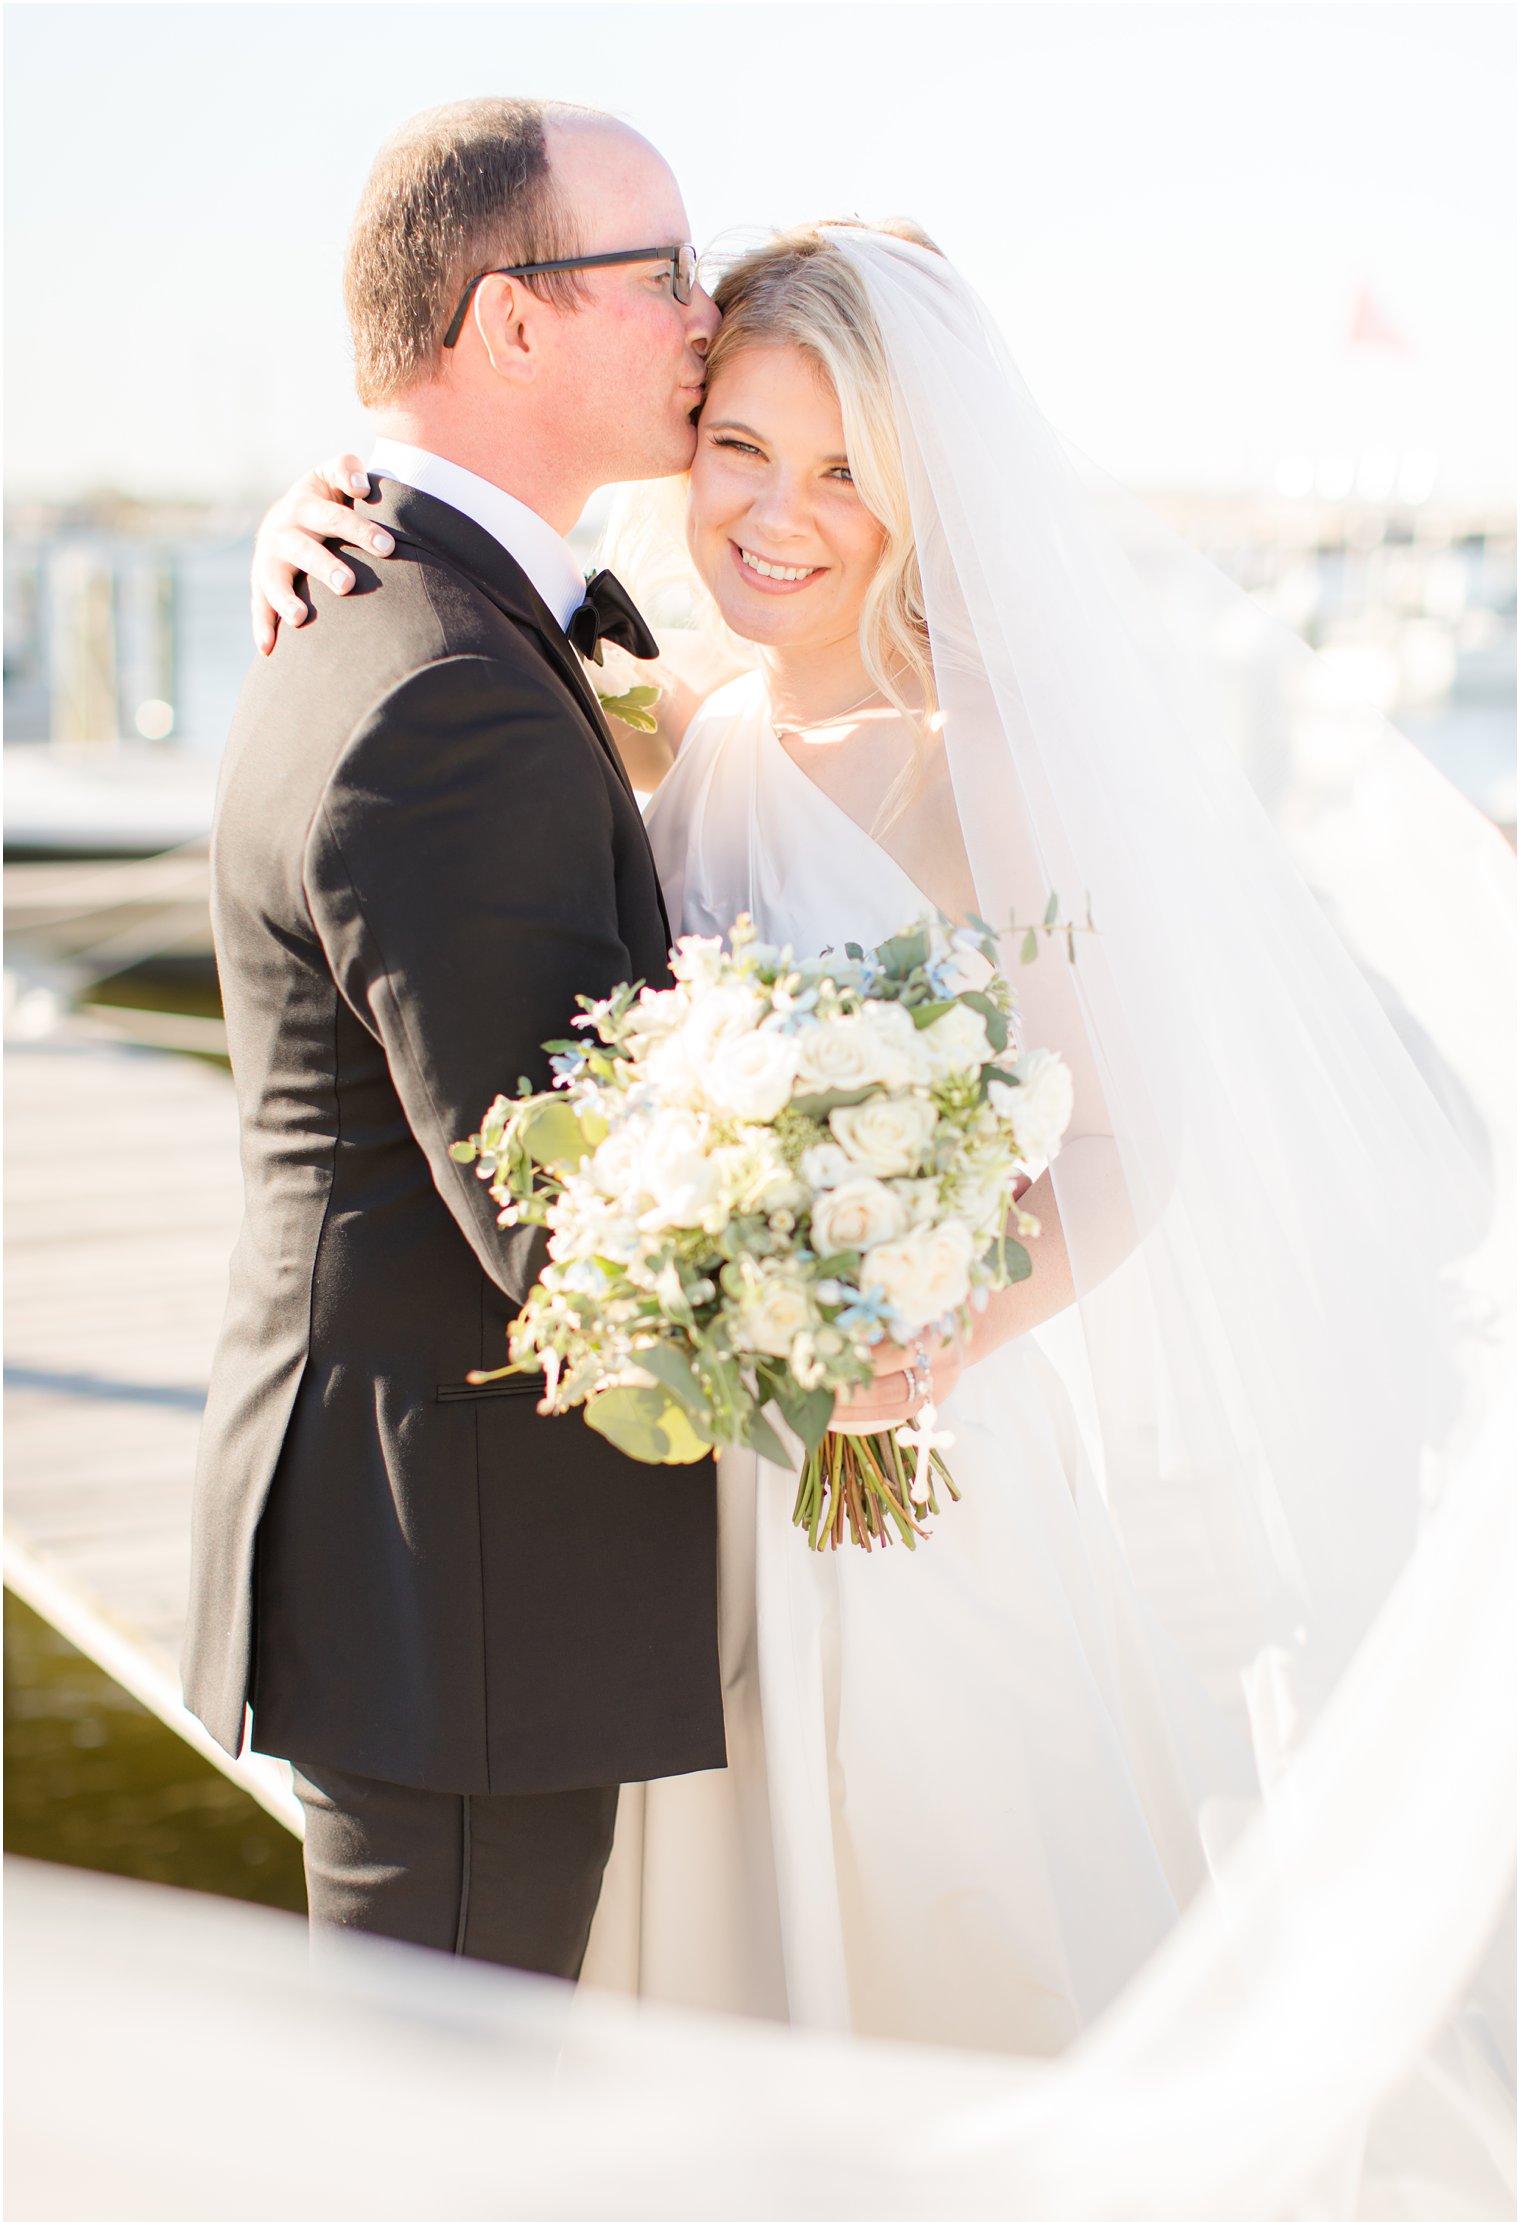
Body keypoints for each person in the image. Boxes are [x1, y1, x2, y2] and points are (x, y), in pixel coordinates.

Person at [250, 223, 1510, 2065]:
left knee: (950, 1950)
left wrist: (927, 1342)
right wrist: (318, 504)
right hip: (689, 1507)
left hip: (917, 1478)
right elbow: (462, 592)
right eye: (740, 449)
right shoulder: (681, 722)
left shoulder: (982, 748)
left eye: (848, 473)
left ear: (925, 504)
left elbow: (1122, 1148)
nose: (780, 512)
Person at [184, 96, 731, 1978]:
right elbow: (569, 1229)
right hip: (467, 1581)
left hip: (427, 1567)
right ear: (507, 319)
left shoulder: (411, 616)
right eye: (660, 272)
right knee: (447, 2180)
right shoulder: (435, 681)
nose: (704, 315)